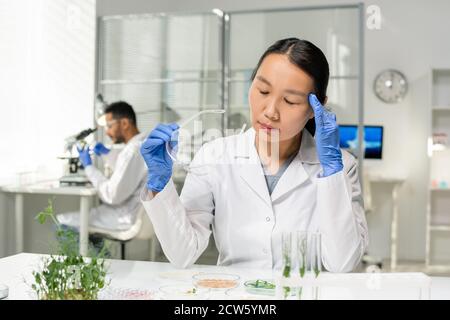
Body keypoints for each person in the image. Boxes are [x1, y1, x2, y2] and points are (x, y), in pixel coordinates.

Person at [139, 38, 368, 272]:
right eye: (263, 91)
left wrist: (331, 173)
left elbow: (342, 264)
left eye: (290, 101)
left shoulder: (342, 167)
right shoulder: (214, 156)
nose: (270, 112)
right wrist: (159, 184)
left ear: (315, 108)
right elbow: (183, 253)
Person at [57, 101, 147, 246]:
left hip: (122, 218)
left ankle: (87, 268)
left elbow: (112, 194)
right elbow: (127, 171)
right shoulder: (141, 145)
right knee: (87, 217)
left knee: (62, 222)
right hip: (127, 213)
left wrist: (89, 167)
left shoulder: (133, 151)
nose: (107, 132)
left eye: (110, 126)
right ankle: (97, 264)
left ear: (124, 123)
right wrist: (108, 153)